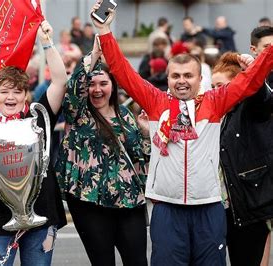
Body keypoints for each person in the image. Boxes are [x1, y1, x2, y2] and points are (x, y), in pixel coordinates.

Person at [90, 2, 273, 265]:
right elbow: (123, 71)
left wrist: (266, 55)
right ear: (168, 78)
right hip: (166, 207)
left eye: (189, 75)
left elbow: (250, 81)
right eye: (176, 75)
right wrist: (104, 29)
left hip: (209, 207)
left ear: (201, 79)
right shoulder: (155, 101)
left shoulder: (216, 101)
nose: (182, 80)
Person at [0, 20, 67, 266]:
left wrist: (47, 42)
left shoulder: (37, 118)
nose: (11, 97)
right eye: (5, 91)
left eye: (18, 91)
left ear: (26, 95)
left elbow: (60, 81)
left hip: (40, 215)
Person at [56, 36, 151, 265]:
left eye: (103, 83)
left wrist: (146, 134)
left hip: (130, 201)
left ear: (113, 86)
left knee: (138, 261)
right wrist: (95, 54)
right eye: (92, 84)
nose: (96, 89)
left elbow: (142, 159)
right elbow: (74, 86)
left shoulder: (127, 116)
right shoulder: (78, 115)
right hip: (90, 201)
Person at [213, 26, 273, 266]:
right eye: (213, 86)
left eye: (222, 86)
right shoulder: (215, 113)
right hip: (223, 207)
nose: (217, 92)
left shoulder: (250, 102)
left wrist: (253, 76)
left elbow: (262, 101)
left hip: (253, 199)